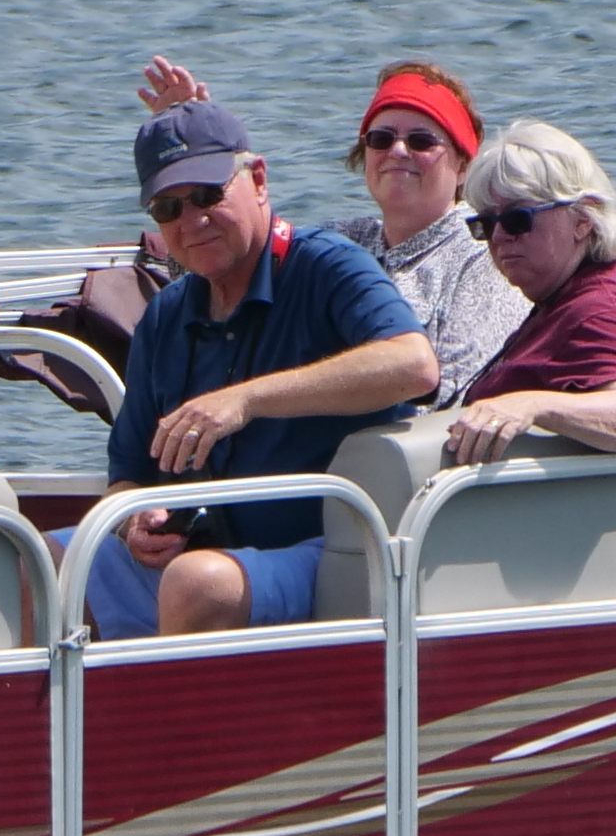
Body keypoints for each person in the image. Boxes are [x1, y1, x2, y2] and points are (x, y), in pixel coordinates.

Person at [91, 101, 436, 639]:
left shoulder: (327, 265)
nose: (192, 220)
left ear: (257, 180)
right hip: (207, 551)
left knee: (197, 584)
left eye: (208, 195)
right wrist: (135, 519)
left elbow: (413, 364)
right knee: (35, 563)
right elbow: (127, 477)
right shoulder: (167, 312)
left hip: (328, 551)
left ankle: (173, 721)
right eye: (167, 208)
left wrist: (245, 400)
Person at [136, 55, 529, 397]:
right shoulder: (346, 239)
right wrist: (194, 151)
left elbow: (449, 388)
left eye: (422, 141)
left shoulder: (484, 254)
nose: (397, 151)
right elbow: (223, 260)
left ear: (463, 165)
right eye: (380, 138)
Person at [443, 120, 616, 465]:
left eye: (517, 219)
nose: (498, 237)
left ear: (583, 218)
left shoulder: (602, 306)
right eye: (486, 224)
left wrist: (531, 405)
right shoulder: (561, 299)